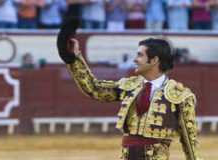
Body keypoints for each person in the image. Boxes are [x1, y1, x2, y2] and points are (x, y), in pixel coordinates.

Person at [57, 20, 201, 159]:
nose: (134, 59)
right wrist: (74, 58)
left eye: (140, 55)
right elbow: (95, 89)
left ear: (154, 60)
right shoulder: (130, 86)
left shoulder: (180, 95)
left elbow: (189, 140)